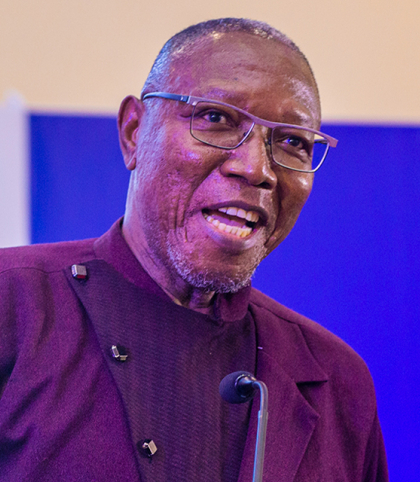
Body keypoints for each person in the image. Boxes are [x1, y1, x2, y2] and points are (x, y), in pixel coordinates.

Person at [0, 18, 388, 482]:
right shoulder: (13, 306)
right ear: (134, 132)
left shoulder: (336, 381)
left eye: (292, 142)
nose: (257, 169)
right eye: (217, 118)